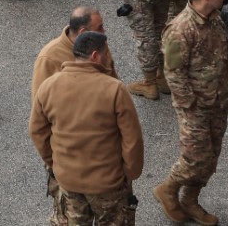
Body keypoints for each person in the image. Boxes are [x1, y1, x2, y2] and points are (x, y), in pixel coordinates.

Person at [30, 32, 143, 226]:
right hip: (108, 183)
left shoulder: (48, 87)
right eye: (106, 53)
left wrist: (56, 162)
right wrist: (130, 173)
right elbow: (131, 139)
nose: (108, 57)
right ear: (95, 56)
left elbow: (37, 131)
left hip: (68, 181)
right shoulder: (114, 89)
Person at [156, 0, 228, 226]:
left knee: (211, 157)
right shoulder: (180, 29)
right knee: (195, 158)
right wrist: (190, 105)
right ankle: (168, 189)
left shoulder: (214, 18)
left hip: (218, 101)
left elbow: (222, 54)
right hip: (195, 106)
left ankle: (190, 200)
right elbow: (173, 72)